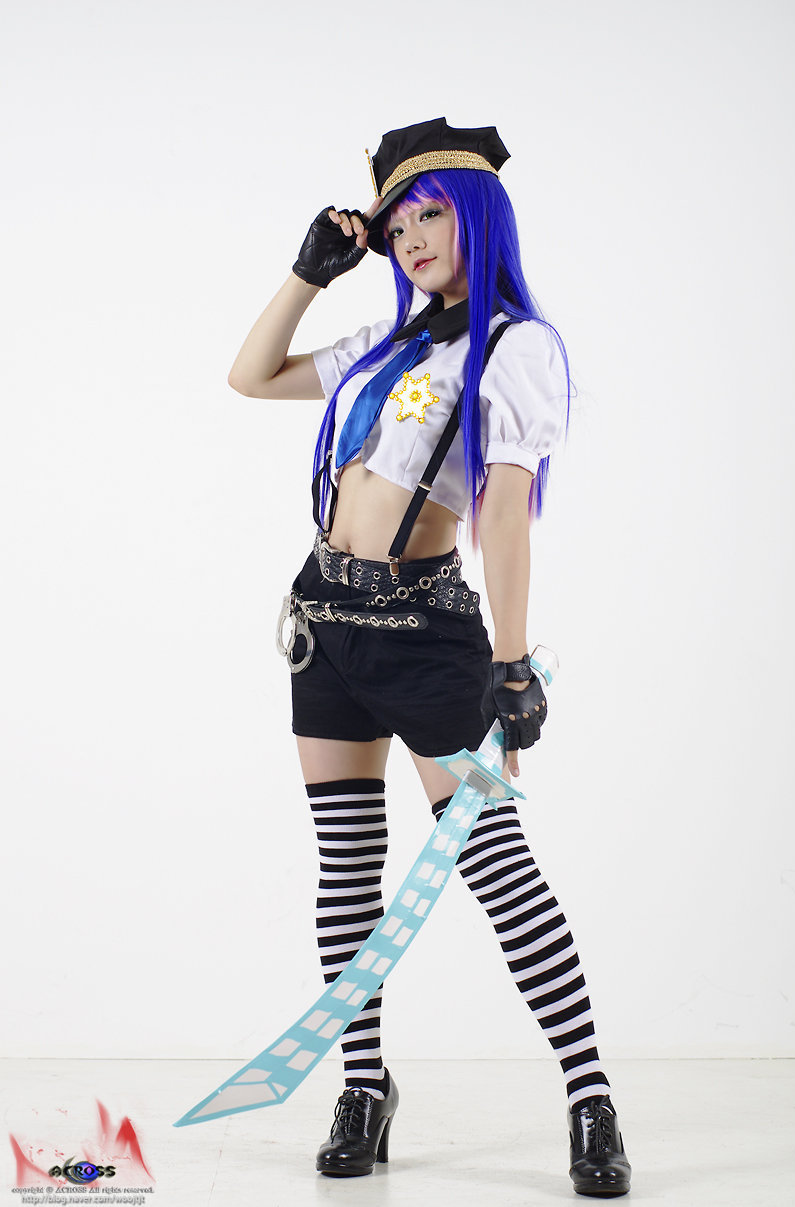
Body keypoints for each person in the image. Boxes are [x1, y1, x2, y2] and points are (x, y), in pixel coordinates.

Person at [228, 118, 631, 1198]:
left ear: (479, 217)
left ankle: (589, 1095)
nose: (409, 238)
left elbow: (502, 512)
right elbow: (250, 376)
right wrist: (308, 274)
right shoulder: (384, 341)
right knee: (348, 870)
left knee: (497, 868)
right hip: (325, 628)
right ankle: (362, 1086)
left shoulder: (513, 346)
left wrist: (512, 662)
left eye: (431, 214)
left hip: (430, 638)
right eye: (396, 223)